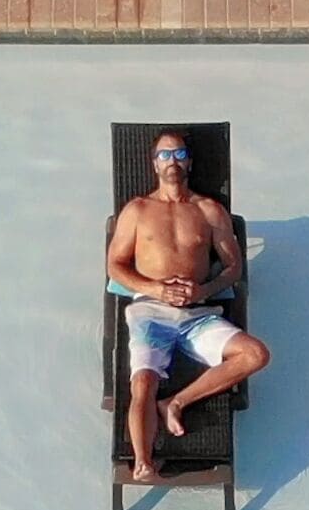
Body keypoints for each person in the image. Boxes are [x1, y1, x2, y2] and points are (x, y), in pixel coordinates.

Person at [106, 132, 271, 483]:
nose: (172, 161)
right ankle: (143, 462)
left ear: (190, 162)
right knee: (144, 381)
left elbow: (234, 268)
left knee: (256, 354)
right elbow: (115, 266)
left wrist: (204, 290)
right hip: (150, 309)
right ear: (153, 163)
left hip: (198, 313)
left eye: (179, 153)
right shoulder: (137, 211)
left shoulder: (209, 211)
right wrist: (155, 288)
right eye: (164, 155)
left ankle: (177, 402)